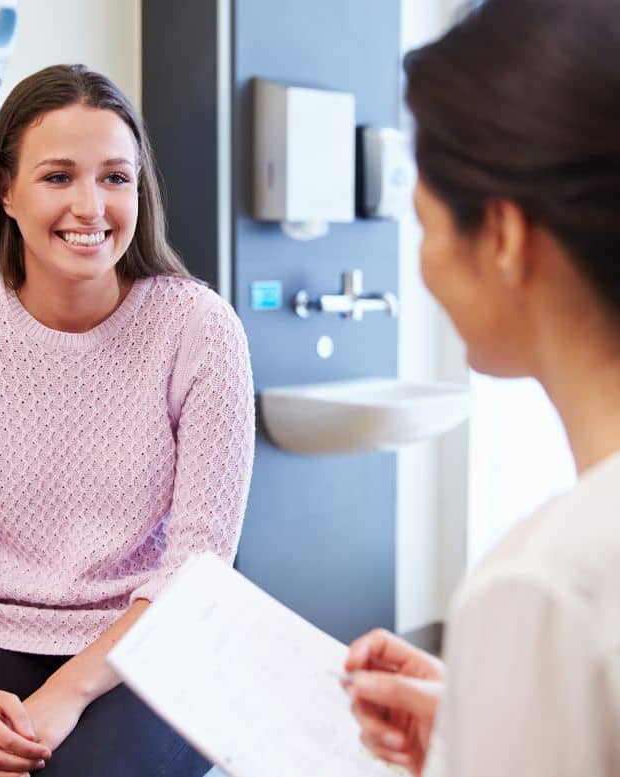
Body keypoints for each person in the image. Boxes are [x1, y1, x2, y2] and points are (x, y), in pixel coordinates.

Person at [0, 64, 255, 777]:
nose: (90, 205)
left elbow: (195, 570)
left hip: (152, 638)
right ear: (5, 191)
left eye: (114, 177)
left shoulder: (199, 330)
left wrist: (63, 695)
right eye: (58, 176)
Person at [344, 0, 620, 775]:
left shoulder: (544, 584)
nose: (425, 265)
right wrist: (486, 721)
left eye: (426, 225)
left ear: (500, 235)